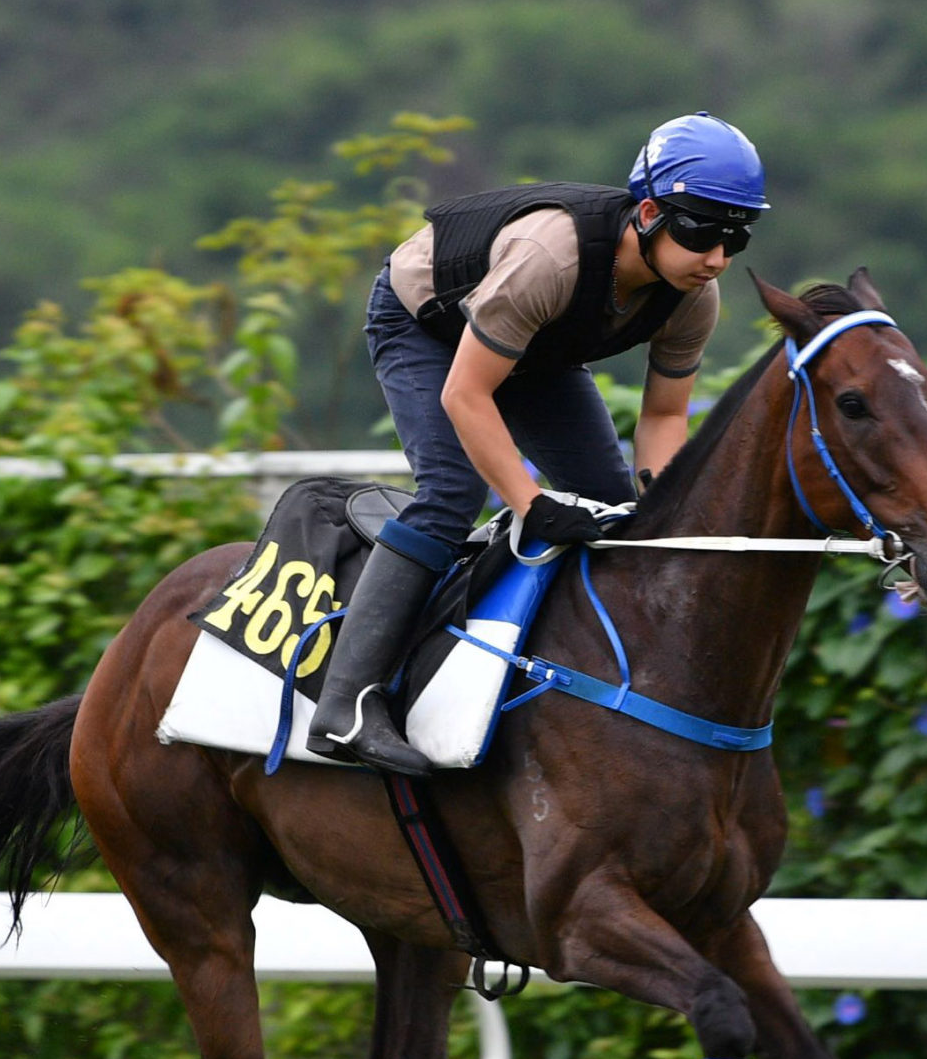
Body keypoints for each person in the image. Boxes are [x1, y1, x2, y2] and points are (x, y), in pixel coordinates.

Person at [306, 111, 768, 775]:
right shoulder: (552, 256)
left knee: (613, 508)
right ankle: (344, 709)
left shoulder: (693, 297)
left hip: (534, 347)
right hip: (427, 328)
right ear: (646, 212)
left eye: (737, 238)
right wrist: (529, 502)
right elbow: (465, 394)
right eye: (702, 232)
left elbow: (664, 418)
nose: (717, 259)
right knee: (451, 493)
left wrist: (658, 509)